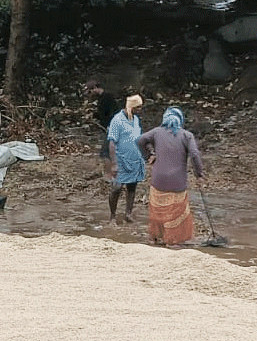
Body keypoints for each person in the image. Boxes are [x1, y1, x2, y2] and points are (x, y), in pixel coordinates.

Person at [137, 106, 205, 247]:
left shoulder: (156, 132)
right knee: (176, 212)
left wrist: (149, 155)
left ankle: (156, 238)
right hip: (177, 182)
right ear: (180, 120)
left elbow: (140, 140)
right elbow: (195, 154)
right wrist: (199, 175)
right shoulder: (186, 135)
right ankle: (173, 240)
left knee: (158, 210)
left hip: (158, 180)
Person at [106, 94, 146, 225]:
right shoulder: (117, 120)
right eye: (138, 107)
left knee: (132, 187)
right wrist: (114, 164)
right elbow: (112, 142)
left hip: (134, 159)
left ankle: (128, 214)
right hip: (121, 159)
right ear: (131, 107)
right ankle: (112, 216)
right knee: (116, 188)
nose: (140, 110)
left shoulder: (135, 120)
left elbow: (138, 138)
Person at [86, 80, 121, 159]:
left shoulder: (107, 97)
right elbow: (103, 113)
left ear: (95, 88)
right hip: (109, 126)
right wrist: (93, 115)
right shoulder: (101, 98)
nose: (91, 94)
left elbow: (112, 112)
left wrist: (110, 125)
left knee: (105, 152)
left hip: (112, 126)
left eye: (90, 91)